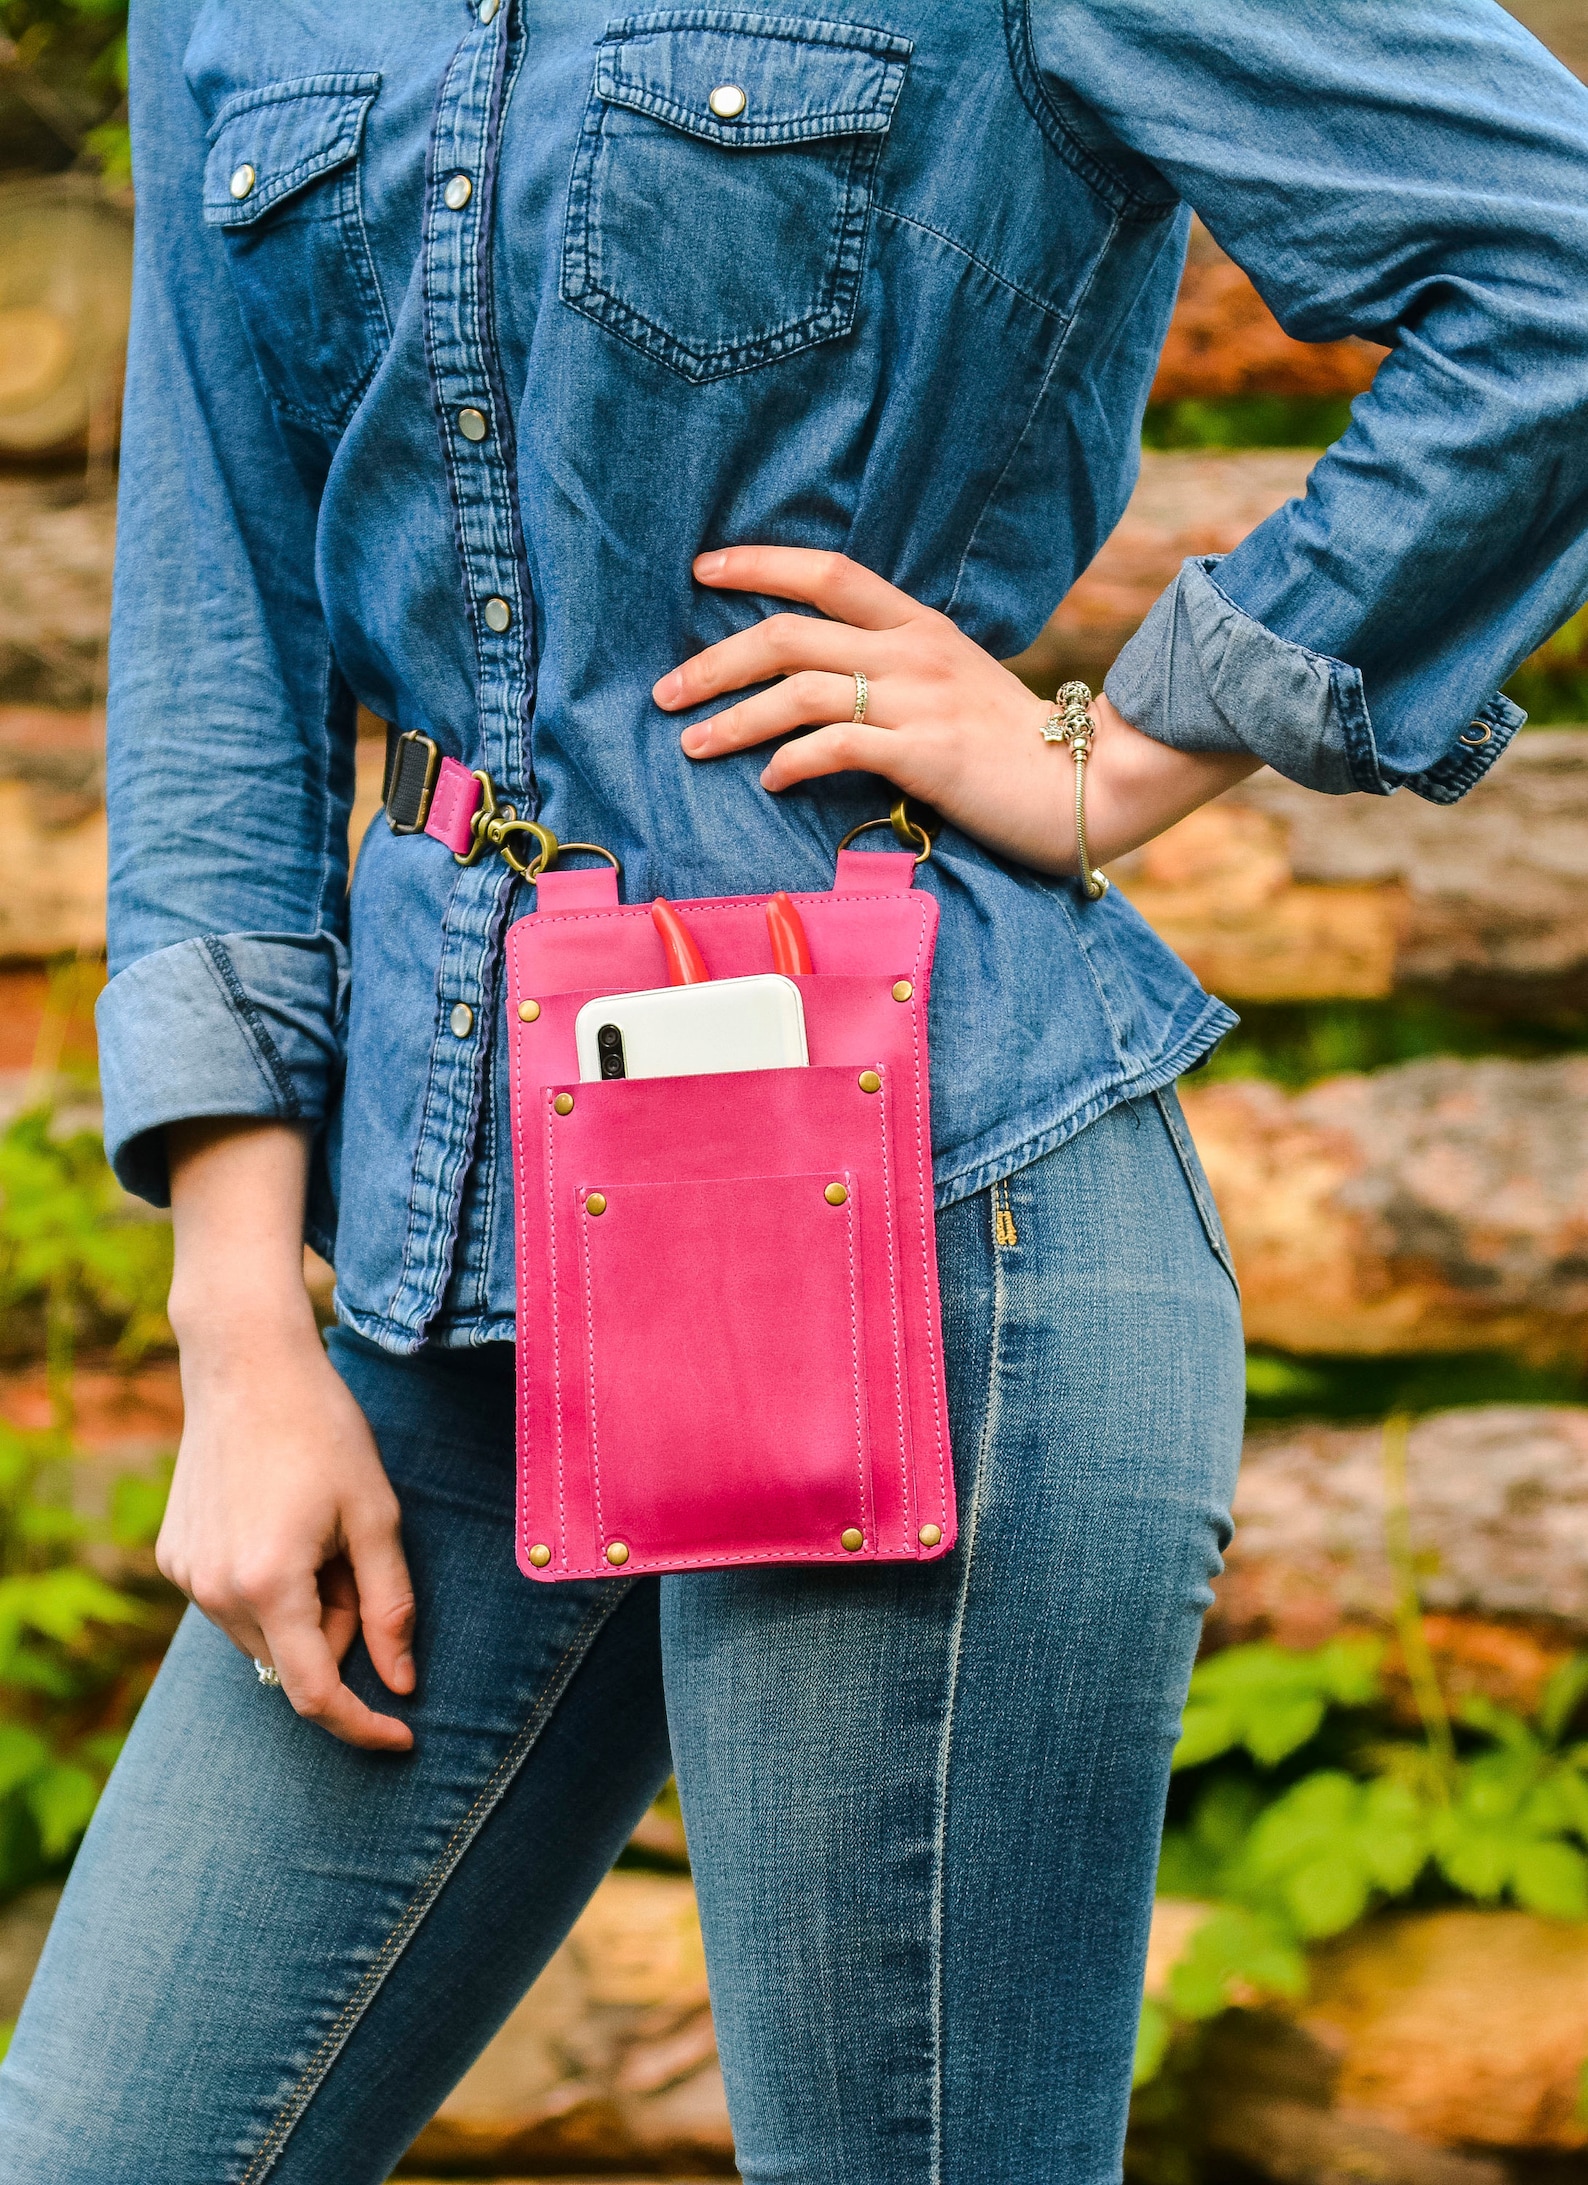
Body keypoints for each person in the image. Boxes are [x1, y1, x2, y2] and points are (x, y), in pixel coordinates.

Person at [2, 2, 1586, 2179]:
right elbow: (215, 634)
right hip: (445, 1250)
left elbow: (1549, 262)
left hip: (927, 1212)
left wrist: (1108, 753)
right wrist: (235, 1318)